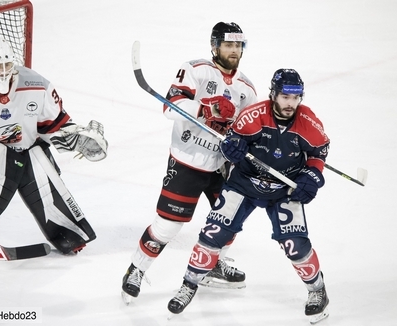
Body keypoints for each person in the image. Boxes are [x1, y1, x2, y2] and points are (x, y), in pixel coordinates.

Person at [167, 68, 331, 323]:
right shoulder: (253, 116)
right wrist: (232, 148)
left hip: (283, 188)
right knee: (212, 234)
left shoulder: (308, 122)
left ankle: (318, 291)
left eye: (296, 97)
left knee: (295, 245)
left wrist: (312, 176)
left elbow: (319, 151)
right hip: (244, 183)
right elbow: (231, 141)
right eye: (286, 97)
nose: (291, 103)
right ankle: (189, 285)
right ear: (274, 95)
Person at [0, 36, 108, 261]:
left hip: (27, 150)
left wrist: (77, 139)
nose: (3, 71)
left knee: (43, 175)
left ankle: (68, 232)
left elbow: (53, 125)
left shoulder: (37, 84)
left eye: (7, 65)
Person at [121, 22, 258, 303]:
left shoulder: (247, 89)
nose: (234, 51)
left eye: (238, 46)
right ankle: (136, 269)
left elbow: (248, 131)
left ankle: (211, 266)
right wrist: (208, 108)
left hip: (223, 166)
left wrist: (241, 145)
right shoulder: (196, 70)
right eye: (228, 45)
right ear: (215, 46)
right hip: (187, 162)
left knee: (228, 222)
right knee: (167, 227)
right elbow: (170, 106)